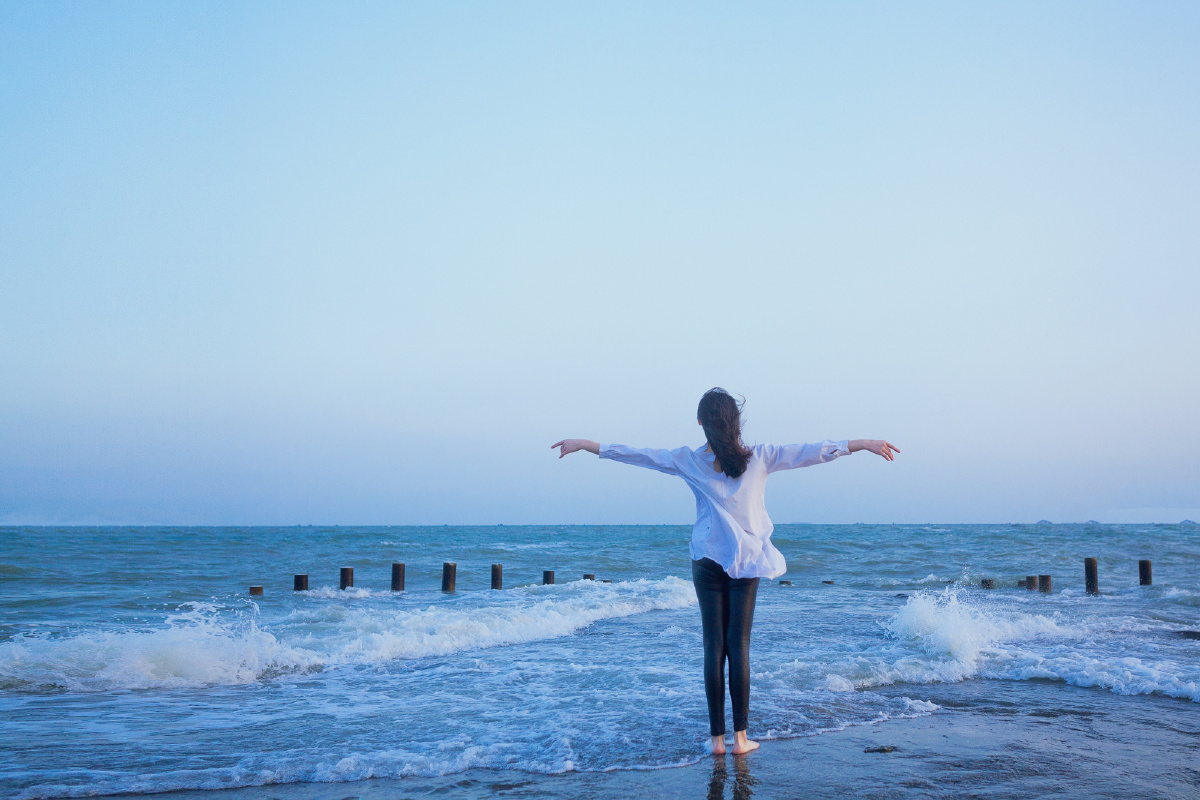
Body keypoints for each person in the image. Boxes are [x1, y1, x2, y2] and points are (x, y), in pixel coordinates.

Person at [551, 387, 898, 756]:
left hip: (706, 561)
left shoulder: (688, 459)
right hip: (746, 561)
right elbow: (811, 452)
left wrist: (587, 445)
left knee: (713, 647)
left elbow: (639, 455)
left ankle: (717, 741)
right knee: (739, 646)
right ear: (736, 421)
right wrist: (862, 444)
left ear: (700, 422)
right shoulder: (761, 457)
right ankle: (741, 739)